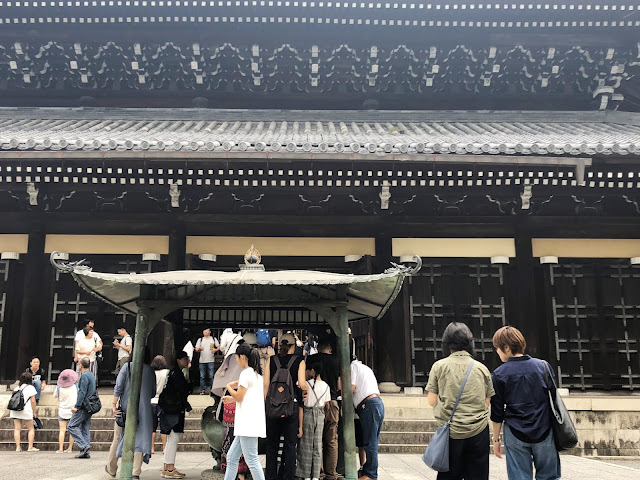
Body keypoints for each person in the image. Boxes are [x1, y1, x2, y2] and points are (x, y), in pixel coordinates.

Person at [426, 322, 495, 480]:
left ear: (446, 343)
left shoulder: (439, 366)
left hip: (451, 432)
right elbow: (487, 401)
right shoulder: (481, 368)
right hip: (478, 431)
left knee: (449, 476)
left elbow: (431, 400)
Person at [491, 326, 561, 480]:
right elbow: (553, 399)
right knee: (549, 476)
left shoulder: (498, 374)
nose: (497, 352)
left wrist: (496, 440)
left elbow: (496, 413)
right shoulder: (542, 367)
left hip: (515, 433)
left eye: (498, 348)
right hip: (544, 429)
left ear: (507, 348)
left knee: (519, 477)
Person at [106, 347, 156, 480]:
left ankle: (112, 468)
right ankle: (136, 472)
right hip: (144, 410)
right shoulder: (150, 371)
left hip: (125, 409)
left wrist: (113, 404)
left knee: (117, 437)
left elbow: (119, 387)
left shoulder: (127, 367)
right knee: (140, 439)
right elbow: (152, 392)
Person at [263, 332, 308, 480]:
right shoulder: (299, 361)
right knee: (290, 445)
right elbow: (301, 383)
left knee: (272, 445)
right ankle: (288, 476)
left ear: (279, 345)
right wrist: (306, 390)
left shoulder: (271, 360)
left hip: (273, 407)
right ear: (293, 346)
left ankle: (271, 476)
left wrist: (266, 405)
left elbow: (266, 384)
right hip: (291, 407)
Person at [221, 342, 266, 480]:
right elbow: (247, 398)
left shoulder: (246, 374)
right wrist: (232, 398)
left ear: (242, 357)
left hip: (247, 425)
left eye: (236, 358)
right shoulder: (257, 375)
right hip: (249, 424)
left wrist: (229, 386)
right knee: (232, 457)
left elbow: (240, 396)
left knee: (251, 460)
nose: (236, 361)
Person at [306, 342, 340, 480]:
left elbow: (306, 376)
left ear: (318, 348)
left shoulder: (311, 359)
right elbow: (339, 384)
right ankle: (331, 473)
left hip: (315, 401)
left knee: (317, 438)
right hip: (331, 400)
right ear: (330, 349)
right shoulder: (336, 361)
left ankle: (317, 471)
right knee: (331, 439)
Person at [159, 351, 192, 479]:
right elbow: (183, 390)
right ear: (179, 360)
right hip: (175, 409)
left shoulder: (172, 372)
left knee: (170, 439)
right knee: (173, 439)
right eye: (185, 359)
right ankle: (170, 468)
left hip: (169, 409)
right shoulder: (178, 374)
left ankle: (167, 466)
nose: (187, 361)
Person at [351, 357, 384, 480]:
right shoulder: (365, 368)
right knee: (372, 440)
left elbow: (352, 387)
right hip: (376, 403)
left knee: (370, 442)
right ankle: (368, 470)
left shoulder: (353, 367)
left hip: (368, 405)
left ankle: (370, 474)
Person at [297, 362, 331, 480]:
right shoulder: (327, 386)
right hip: (320, 414)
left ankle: (306, 475)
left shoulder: (306, 384)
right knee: (317, 446)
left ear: (313, 371)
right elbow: (325, 404)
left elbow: (302, 401)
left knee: (306, 445)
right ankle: (315, 475)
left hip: (308, 413)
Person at [67, 357, 97, 459]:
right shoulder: (91, 375)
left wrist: (77, 406)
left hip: (84, 405)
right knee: (85, 427)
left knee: (71, 426)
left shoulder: (84, 376)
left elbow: (82, 392)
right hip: (91, 404)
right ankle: (85, 451)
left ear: (80, 365)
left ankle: (84, 446)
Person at [10, 372, 39, 452]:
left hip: (16, 410)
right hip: (26, 410)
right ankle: (30, 447)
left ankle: (18, 447)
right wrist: (34, 411)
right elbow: (33, 401)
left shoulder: (17, 388)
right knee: (30, 428)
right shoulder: (31, 388)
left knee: (17, 429)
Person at [212, 329, 244, 397]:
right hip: (238, 358)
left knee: (226, 376)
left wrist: (224, 353)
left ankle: (225, 391)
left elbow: (222, 346)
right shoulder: (240, 337)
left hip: (229, 357)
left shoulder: (226, 335)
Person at [53, 368, 78, 453]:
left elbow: (55, 396)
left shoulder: (59, 388)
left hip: (62, 409)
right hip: (72, 410)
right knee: (72, 430)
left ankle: (60, 448)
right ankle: (70, 448)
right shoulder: (75, 387)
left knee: (62, 430)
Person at [151, 355, 170, 454]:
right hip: (163, 402)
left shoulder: (151, 373)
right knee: (164, 427)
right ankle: (164, 447)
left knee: (152, 427)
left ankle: (152, 448)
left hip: (152, 401)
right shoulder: (166, 373)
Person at [195, 328, 220, 395]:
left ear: (210, 332)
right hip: (202, 360)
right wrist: (199, 348)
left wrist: (215, 350)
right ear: (203, 332)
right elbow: (196, 349)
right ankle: (202, 389)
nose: (206, 332)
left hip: (211, 360)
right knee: (202, 376)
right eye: (204, 330)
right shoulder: (200, 339)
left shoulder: (213, 339)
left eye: (207, 330)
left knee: (211, 376)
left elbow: (219, 347)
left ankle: (212, 390)